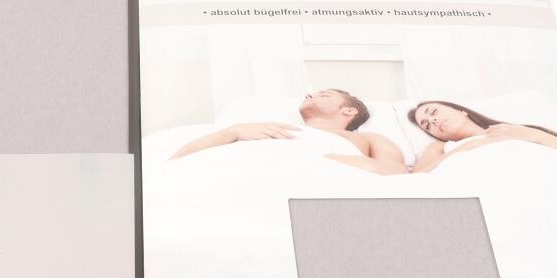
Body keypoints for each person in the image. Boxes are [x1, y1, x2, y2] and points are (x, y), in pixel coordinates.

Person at [171, 89, 406, 173]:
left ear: (349, 111)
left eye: (324, 95)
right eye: (311, 94)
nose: (310, 94)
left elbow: (395, 172)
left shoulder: (368, 139)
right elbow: (178, 160)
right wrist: (234, 132)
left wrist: (320, 161)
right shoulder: (262, 128)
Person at [407, 100, 557, 171]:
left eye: (433, 112)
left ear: (460, 111)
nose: (433, 121)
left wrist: (529, 134)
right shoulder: (443, 148)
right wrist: (469, 146)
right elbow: (418, 175)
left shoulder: (520, 131)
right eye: (427, 125)